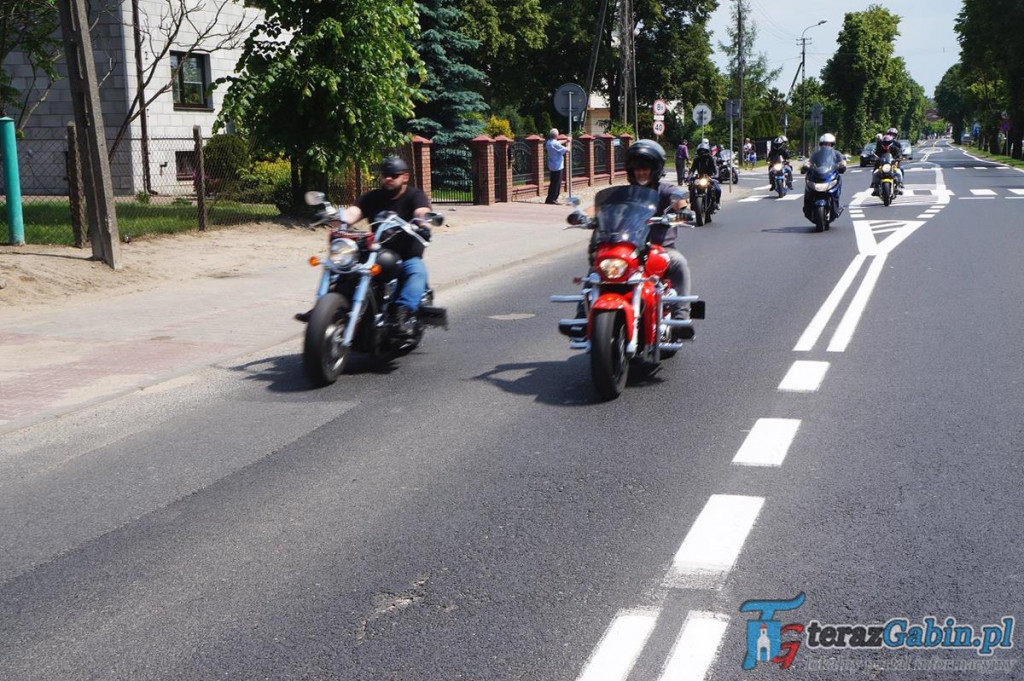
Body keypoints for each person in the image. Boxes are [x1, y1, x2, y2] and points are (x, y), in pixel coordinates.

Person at [295, 156, 432, 336]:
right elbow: (353, 213)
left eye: (393, 175)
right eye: (385, 175)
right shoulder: (373, 197)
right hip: (376, 251)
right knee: (340, 265)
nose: (388, 178)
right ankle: (324, 309)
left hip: (405, 254)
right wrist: (335, 217)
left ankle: (403, 314)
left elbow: (422, 212)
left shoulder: (415, 196)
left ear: (405, 177)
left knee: (417, 271)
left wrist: (424, 224)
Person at [801, 133, 847, 220]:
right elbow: (809, 161)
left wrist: (843, 166)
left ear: (832, 144)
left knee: (836, 190)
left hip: (830, 176)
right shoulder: (816, 154)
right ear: (821, 144)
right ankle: (807, 208)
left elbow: (842, 161)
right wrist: (805, 166)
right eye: (824, 143)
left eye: (828, 144)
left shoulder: (836, 153)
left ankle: (836, 207)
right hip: (818, 176)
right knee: (808, 190)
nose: (826, 145)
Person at [688, 141, 722, 211]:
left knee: (717, 189)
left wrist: (716, 175)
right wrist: (689, 176)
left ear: (707, 151)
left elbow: (715, 168)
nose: (702, 153)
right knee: (692, 187)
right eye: (700, 151)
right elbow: (692, 169)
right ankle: (692, 202)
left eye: (704, 151)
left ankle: (717, 203)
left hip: (710, 177)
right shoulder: (696, 159)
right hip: (700, 177)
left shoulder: (710, 159)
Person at [870, 127, 904, 196]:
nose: (892, 135)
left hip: (893, 163)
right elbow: (876, 152)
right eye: (890, 134)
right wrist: (875, 157)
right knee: (875, 171)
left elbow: (899, 152)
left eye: (893, 134)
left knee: (900, 171)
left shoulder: (896, 145)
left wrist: (899, 158)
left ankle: (899, 185)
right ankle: (875, 187)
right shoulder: (880, 144)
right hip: (882, 163)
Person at [545, 128, 571, 204]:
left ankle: (549, 199)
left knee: (552, 183)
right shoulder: (555, 144)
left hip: (552, 165)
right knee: (557, 184)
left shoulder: (548, 142)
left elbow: (557, 142)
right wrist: (569, 142)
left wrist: (566, 140)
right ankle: (553, 199)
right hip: (558, 166)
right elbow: (567, 150)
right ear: (556, 135)